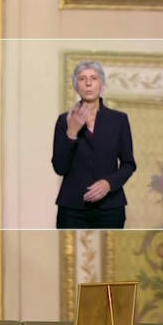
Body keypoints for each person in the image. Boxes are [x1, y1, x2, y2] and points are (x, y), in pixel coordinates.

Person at [51, 61, 135, 229]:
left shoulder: (119, 120)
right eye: (82, 79)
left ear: (101, 85)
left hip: (110, 208)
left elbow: (129, 164)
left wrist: (109, 183)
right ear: (76, 86)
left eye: (94, 78)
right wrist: (72, 132)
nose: (88, 83)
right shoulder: (64, 120)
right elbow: (59, 167)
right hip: (73, 209)